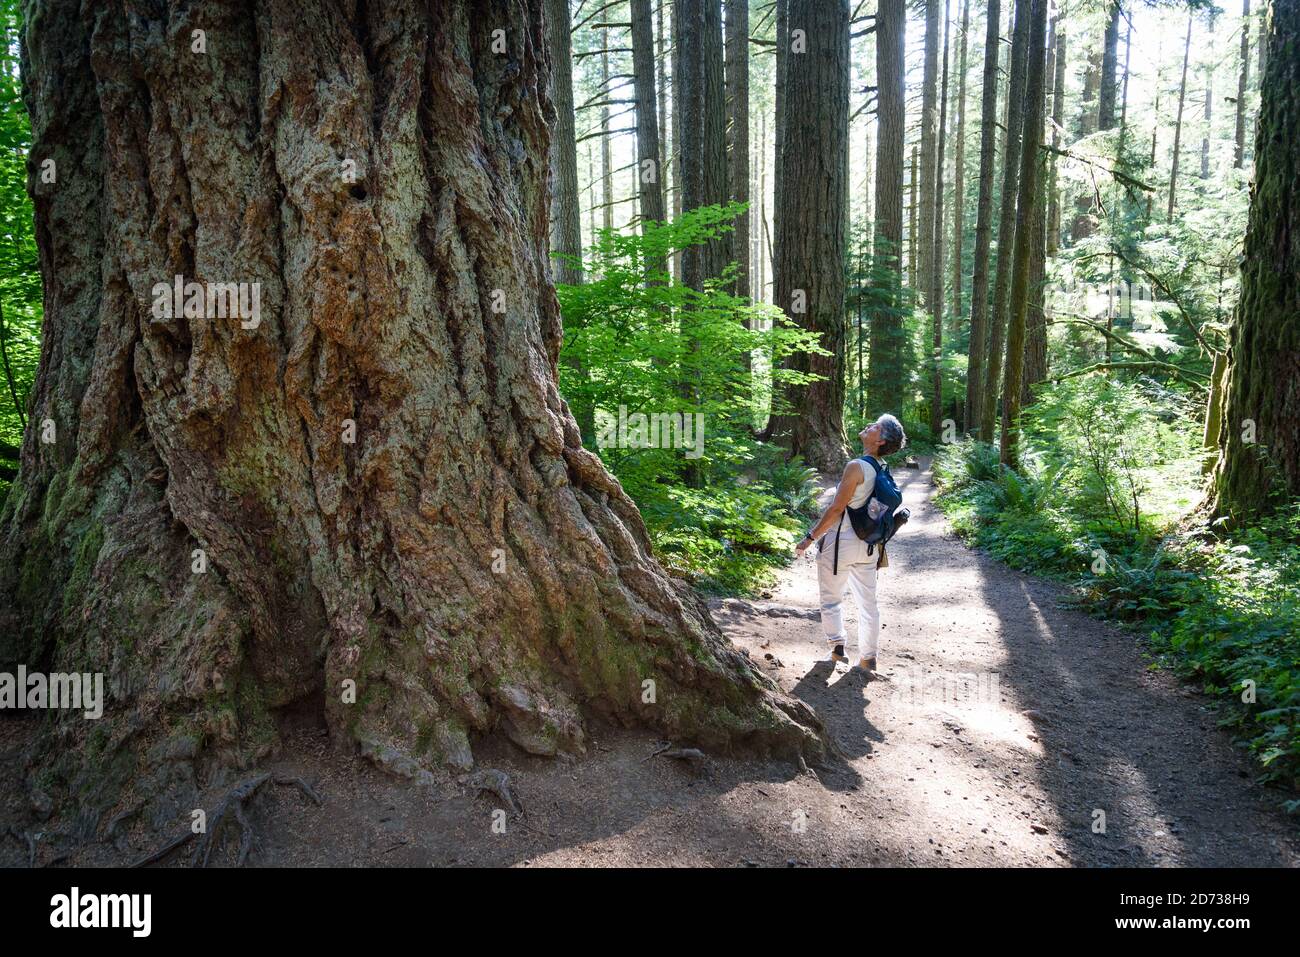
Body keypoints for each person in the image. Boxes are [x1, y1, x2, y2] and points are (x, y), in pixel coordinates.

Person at [794, 414, 908, 675]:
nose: (868, 426)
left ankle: (837, 649)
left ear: (880, 440)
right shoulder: (882, 468)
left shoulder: (856, 466)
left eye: (875, 426)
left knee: (831, 599)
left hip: (840, 544)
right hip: (869, 546)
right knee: (868, 603)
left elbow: (836, 509)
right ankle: (869, 659)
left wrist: (809, 538)